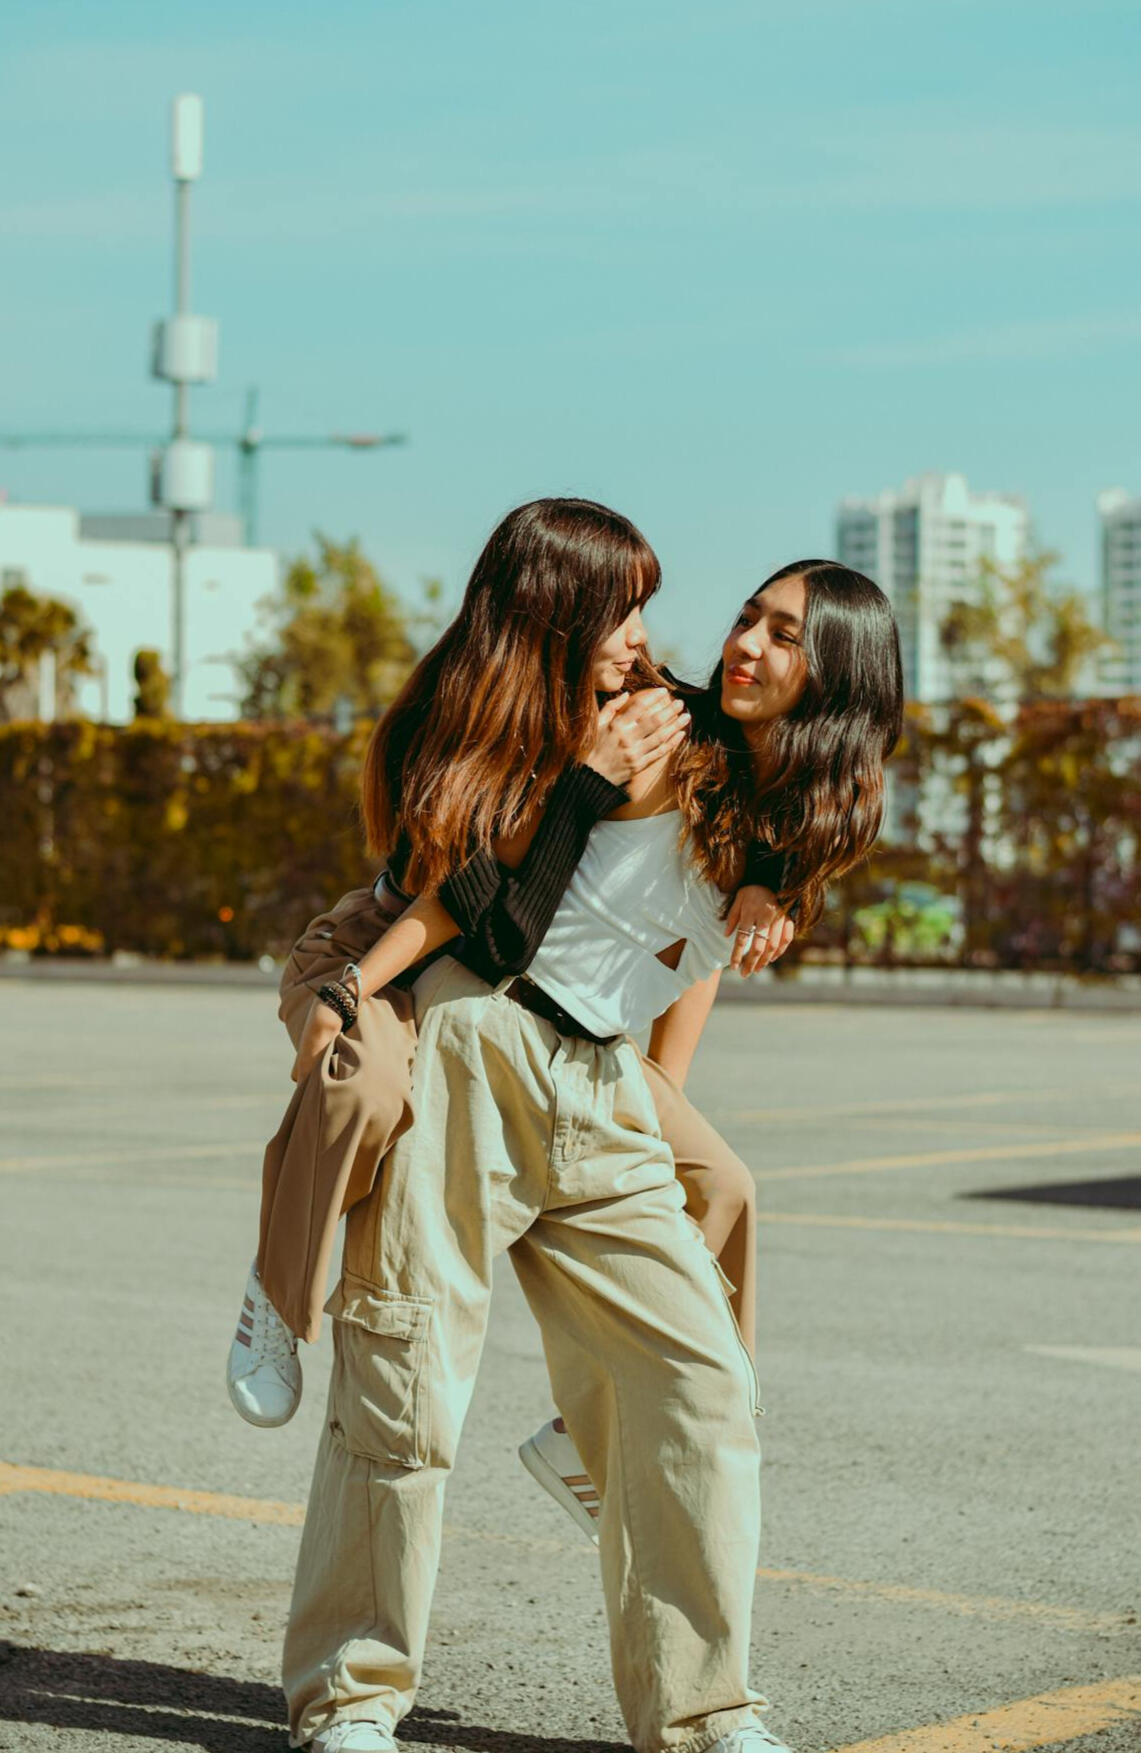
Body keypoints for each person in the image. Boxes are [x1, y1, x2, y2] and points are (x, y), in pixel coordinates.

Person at [281, 544, 905, 1753]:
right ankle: (351, 1701)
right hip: (479, 1032)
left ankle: (705, 1709)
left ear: (839, 681)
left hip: (600, 1079)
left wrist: (654, 1094)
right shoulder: (654, 724)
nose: (744, 645)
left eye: (783, 636)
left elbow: (692, 954)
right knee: (406, 1376)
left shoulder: (805, 814)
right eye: (746, 618)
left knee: (701, 1382)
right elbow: (484, 860)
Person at [227, 501, 790, 1427]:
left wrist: (767, 884)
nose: (640, 637)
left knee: (722, 1181)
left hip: (523, 990)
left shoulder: (635, 707)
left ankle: (601, 1432)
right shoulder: (443, 728)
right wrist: (581, 783)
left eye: (643, 607)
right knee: (363, 1088)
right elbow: (481, 926)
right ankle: (277, 1294)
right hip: (391, 951)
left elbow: (733, 810)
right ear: (553, 614)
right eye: (620, 612)